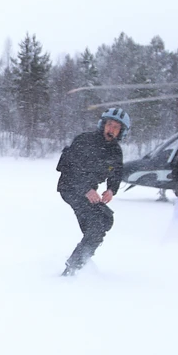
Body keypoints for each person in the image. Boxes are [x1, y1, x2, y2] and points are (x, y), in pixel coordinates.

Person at [57, 107, 128, 276]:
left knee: (104, 220)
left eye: (116, 127)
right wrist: (85, 189)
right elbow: (67, 167)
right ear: (103, 124)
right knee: (96, 226)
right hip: (70, 188)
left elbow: (116, 172)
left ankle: (82, 258)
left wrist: (111, 189)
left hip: (89, 191)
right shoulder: (85, 140)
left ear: (121, 132)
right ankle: (73, 269)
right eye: (110, 125)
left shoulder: (115, 151)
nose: (111, 129)